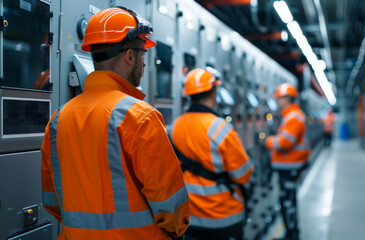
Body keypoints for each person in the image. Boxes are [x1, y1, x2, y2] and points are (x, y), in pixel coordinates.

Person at [41, 7, 190, 239]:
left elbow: (51, 198)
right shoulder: (139, 116)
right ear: (130, 56)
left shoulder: (59, 119)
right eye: (143, 56)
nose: (143, 63)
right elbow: (171, 207)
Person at [171, 68, 254, 240]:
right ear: (214, 93)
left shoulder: (175, 126)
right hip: (224, 216)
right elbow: (243, 175)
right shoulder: (221, 129)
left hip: (189, 215)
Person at [265, 83, 310, 240]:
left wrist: (267, 140)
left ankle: (292, 235)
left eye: (279, 98)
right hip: (289, 166)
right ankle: (290, 233)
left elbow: (284, 143)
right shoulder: (290, 116)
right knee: (286, 201)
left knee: (288, 203)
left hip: (290, 167)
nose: (277, 101)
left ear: (287, 99)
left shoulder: (293, 117)